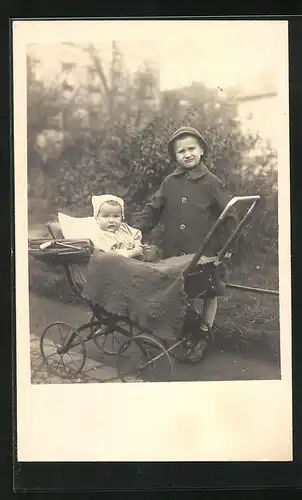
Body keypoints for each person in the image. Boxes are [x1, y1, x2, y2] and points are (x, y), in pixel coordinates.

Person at [134, 126, 238, 359]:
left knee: (209, 292)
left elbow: (230, 214)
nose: (187, 154)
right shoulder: (170, 182)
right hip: (175, 249)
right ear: (175, 156)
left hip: (206, 251)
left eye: (191, 148)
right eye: (180, 151)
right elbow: (154, 208)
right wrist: (137, 230)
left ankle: (203, 334)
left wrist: (227, 246)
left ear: (202, 150)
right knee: (183, 292)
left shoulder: (211, 182)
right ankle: (189, 331)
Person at [91, 194, 160, 262]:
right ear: (97, 218)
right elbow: (112, 255)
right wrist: (133, 252)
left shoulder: (124, 227)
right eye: (106, 216)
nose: (111, 220)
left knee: (152, 250)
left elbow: (136, 234)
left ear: (122, 217)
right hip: (118, 261)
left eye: (116, 216)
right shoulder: (101, 236)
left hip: (135, 254)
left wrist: (137, 245)